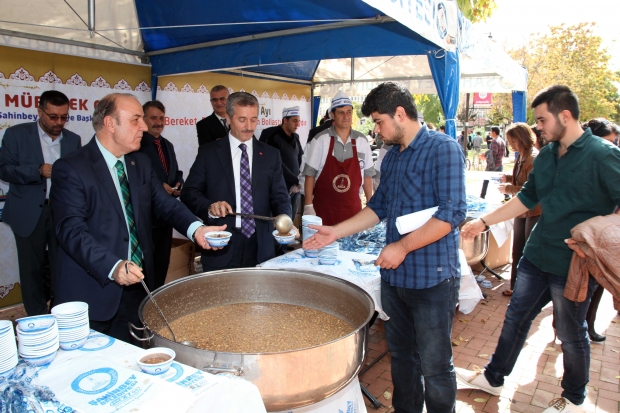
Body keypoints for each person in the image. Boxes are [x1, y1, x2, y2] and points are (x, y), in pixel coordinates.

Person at [305, 82, 466, 413]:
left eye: (379, 121)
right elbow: (378, 207)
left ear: (401, 114)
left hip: (433, 280)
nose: (375, 130)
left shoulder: (443, 149)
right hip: (395, 281)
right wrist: (335, 231)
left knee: (435, 366)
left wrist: (403, 247)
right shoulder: (392, 158)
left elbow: (452, 214)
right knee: (403, 359)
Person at [460, 85, 620, 412]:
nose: (539, 127)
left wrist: (600, 235)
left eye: (542, 120)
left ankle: (575, 399)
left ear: (565, 115)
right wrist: (485, 222)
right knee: (516, 318)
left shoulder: (604, 155)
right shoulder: (546, 155)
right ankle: (494, 377)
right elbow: (526, 199)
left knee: (571, 332)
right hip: (535, 257)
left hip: (573, 264)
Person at [50, 93, 221, 343]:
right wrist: (113, 265)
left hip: (138, 286)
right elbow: (71, 231)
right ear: (110, 124)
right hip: (95, 290)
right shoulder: (71, 168)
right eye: (136, 120)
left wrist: (197, 229)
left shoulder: (139, 162)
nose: (143, 126)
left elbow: (165, 205)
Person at [181, 92, 293, 271]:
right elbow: (189, 192)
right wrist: (210, 206)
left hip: (261, 246)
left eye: (253, 120)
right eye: (242, 119)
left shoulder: (271, 155)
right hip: (221, 245)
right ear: (228, 119)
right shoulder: (209, 153)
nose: (249, 127)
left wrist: (286, 220)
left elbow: (280, 195)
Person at [0, 90, 81, 316]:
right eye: (53, 117)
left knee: (62, 267)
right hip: (28, 213)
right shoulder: (16, 135)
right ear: (40, 111)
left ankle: (60, 314)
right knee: (31, 270)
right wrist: (37, 171)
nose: (59, 123)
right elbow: (4, 170)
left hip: (62, 213)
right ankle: (37, 318)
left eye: (64, 117)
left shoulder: (73, 140)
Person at [302, 91, 375, 225]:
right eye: (341, 112)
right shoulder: (320, 140)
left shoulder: (361, 141)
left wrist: (370, 204)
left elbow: (368, 176)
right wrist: (308, 205)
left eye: (349, 112)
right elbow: (309, 175)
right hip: (323, 212)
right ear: (332, 115)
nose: (346, 116)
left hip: (353, 213)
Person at [138, 100, 184, 289]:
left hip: (166, 218)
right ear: (143, 119)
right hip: (146, 218)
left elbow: (175, 172)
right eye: (153, 118)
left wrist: (179, 183)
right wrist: (159, 186)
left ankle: (156, 301)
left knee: (161, 264)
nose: (158, 122)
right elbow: (140, 178)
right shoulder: (137, 145)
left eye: (161, 118)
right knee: (146, 268)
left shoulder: (167, 144)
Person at [579, 117, 618, 342]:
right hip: (581, 237)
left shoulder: (610, 163)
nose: (612, 147)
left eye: (615, 142)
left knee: (595, 285)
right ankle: (574, 327)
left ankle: (588, 325)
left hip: (601, 237)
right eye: (608, 142)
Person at [496, 123, 541, 297]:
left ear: (523, 138)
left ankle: (526, 290)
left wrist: (509, 188)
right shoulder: (523, 155)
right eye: (509, 141)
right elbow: (520, 179)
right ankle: (516, 286)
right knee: (518, 249)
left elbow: (530, 188)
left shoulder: (534, 157)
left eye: (513, 140)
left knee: (527, 252)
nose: (511, 145)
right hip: (522, 210)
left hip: (533, 210)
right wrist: (508, 178)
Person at [263, 106, 304, 220]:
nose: (297, 124)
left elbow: (301, 157)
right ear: (285, 120)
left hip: (296, 186)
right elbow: (278, 164)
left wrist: (299, 180)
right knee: (281, 221)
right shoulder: (274, 137)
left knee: (291, 220)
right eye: (294, 121)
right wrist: (296, 180)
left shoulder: (296, 137)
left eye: (299, 121)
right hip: (280, 187)